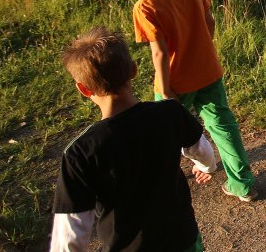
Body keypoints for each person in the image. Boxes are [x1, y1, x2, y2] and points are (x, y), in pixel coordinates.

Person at [50, 27, 213, 252]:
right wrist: (205, 166)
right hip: (183, 239)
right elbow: (202, 150)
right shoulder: (170, 112)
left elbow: (70, 234)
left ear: (84, 89)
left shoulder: (81, 151)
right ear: (133, 70)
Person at [125, 0, 257, 202]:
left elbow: (159, 52)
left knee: (164, 134)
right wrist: (202, 48)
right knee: (223, 126)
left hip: (175, 81)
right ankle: (243, 186)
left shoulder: (145, 6)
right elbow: (209, 22)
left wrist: (164, 90)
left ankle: (162, 187)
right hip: (208, 71)